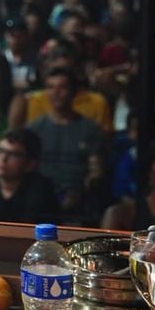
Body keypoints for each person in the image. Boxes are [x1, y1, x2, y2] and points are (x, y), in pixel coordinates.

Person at [26, 67, 106, 224]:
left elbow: (96, 171)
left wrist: (81, 191)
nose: (56, 92)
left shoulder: (90, 129)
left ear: (74, 92)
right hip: (39, 201)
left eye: (62, 87)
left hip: (79, 203)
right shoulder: (34, 129)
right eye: (50, 87)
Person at [0, 129, 60, 224]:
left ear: (30, 164)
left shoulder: (42, 191)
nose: (3, 158)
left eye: (13, 154)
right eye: (0, 150)